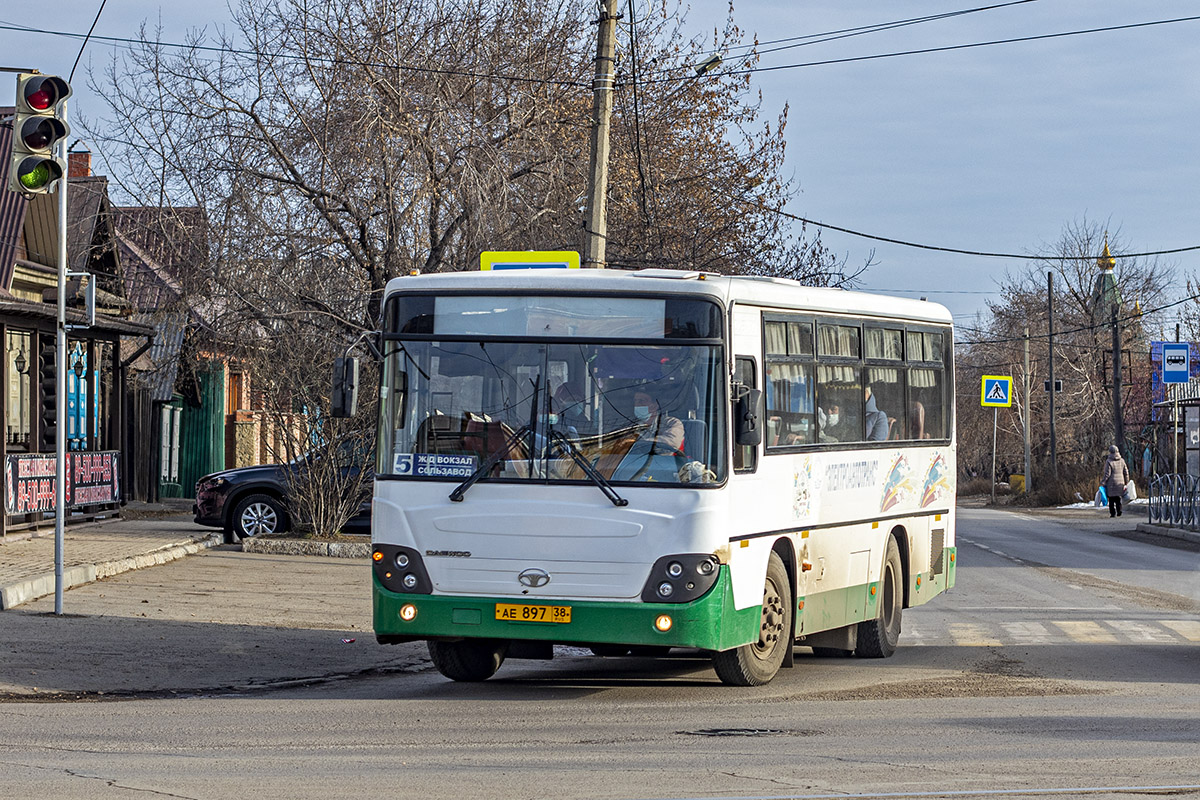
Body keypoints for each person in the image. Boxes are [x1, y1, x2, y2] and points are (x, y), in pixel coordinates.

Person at [632, 390, 684, 454]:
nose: (636, 405)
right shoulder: (631, 426)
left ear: (654, 406)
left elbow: (672, 442)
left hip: (665, 462)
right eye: (635, 401)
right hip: (633, 462)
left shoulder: (672, 423)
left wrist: (642, 444)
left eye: (641, 401)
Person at [1101, 444, 1130, 518]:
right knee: (1118, 498)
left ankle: (1113, 513)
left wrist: (1103, 482)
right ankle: (1119, 511)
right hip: (1120, 482)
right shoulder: (1122, 460)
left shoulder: (1109, 461)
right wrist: (1126, 482)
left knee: (1111, 499)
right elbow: (1126, 472)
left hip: (1111, 483)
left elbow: (1107, 474)